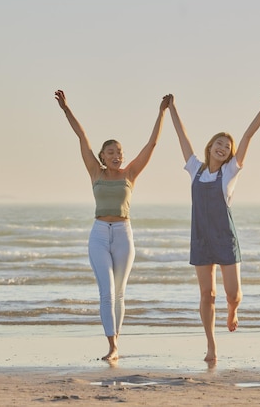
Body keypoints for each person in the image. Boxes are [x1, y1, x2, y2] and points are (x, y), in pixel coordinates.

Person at [54, 89, 170, 361]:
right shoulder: (95, 172)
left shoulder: (130, 173)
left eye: (119, 151)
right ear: (102, 157)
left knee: (119, 293)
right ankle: (112, 346)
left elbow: (151, 145)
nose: (117, 155)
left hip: (123, 234)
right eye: (111, 152)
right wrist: (66, 109)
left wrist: (161, 113)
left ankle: (116, 344)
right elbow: (82, 138)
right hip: (98, 235)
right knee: (106, 292)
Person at [168, 93, 260, 363]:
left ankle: (233, 310)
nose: (222, 148)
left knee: (233, 294)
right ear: (210, 146)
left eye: (227, 146)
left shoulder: (230, 173)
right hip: (201, 239)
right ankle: (211, 346)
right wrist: (172, 109)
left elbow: (247, 137)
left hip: (225, 240)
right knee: (206, 294)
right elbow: (183, 137)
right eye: (218, 143)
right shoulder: (196, 170)